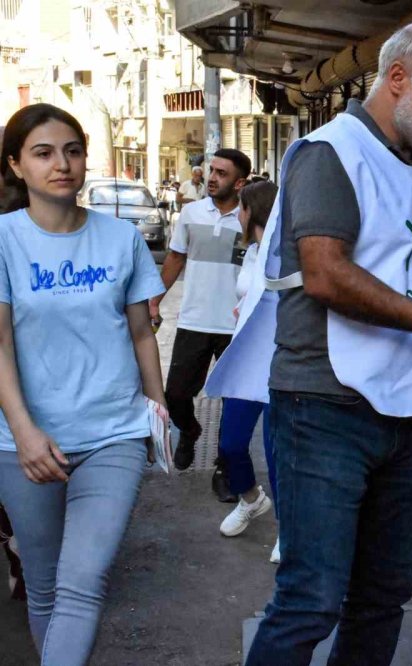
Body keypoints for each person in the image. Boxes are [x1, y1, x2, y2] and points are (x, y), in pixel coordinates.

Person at [242, 22, 412, 666]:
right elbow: (327, 273)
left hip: (402, 412)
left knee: (383, 598)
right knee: (311, 600)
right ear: (397, 80)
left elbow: (394, 265)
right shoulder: (331, 153)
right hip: (325, 408)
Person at [0, 103, 167, 665]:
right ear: (17, 166)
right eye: (43, 153)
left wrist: (157, 414)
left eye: (72, 151)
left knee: (81, 582)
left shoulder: (121, 238)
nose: (62, 164)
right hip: (23, 441)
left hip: (112, 432)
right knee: (44, 589)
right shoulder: (2, 240)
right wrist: (24, 433)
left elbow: (143, 334)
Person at [150, 148, 249, 501]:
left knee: (233, 401)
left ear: (239, 183)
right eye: (211, 170)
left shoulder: (250, 217)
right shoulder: (191, 213)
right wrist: (154, 301)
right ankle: (189, 431)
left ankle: (225, 470)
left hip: (236, 325)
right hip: (194, 320)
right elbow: (175, 258)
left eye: (221, 173)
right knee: (176, 393)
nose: (211, 177)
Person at [214, 180, 281, 562]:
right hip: (246, 361)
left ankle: (288, 530)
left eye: (240, 208)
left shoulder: (284, 254)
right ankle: (251, 499)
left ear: (252, 211)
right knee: (230, 444)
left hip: (279, 364)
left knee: (277, 453)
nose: (236, 215)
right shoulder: (252, 251)